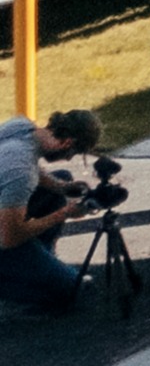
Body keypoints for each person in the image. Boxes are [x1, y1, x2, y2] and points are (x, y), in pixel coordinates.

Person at [0, 109, 102, 318]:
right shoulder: (21, 172)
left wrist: (61, 187)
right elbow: (9, 237)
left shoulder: (21, 127)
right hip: (6, 234)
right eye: (71, 154)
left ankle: (37, 263)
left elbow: (23, 170)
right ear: (67, 143)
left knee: (61, 178)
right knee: (73, 290)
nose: (67, 159)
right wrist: (64, 213)